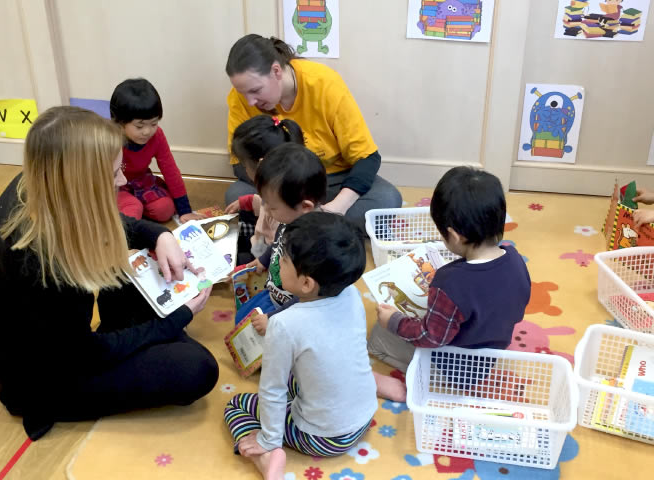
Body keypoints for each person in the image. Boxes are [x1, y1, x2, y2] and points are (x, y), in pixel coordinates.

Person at [0, 106, 218, 441]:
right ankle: (147, 337)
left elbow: (109, 222)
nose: (122, 180)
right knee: (197, 368)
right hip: (41, 383)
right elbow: (85, 355)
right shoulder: (39, 261)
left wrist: (158, 235)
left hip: (58, 346)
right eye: (115, 172)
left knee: (138, 267)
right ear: (81, 182)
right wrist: (172, 323)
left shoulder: (40, 183)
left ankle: (140, 336)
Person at [224, 212, 377, 480]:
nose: (277, 265)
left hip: (322, 437)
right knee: (307, 373)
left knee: (237, 404)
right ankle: (376, 382)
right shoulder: (351, 294)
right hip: (364, 414)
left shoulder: (284, 324)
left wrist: (269, 439)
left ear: (306, 283)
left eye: (282, 261)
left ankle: (266, 459)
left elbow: (272, 390)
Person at [368, 166, 531, 402]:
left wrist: (393, 321)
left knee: (378, 335)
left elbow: (431, 337)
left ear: (455, 236)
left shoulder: (449, 282)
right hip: (491, 353)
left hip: (454, 368)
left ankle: (433, 380)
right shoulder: (515, 258)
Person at [224, 34, 402, 228]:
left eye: (256, 91)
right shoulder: (240, 97)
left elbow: (367, 158)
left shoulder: (323, 82)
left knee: (387, 198)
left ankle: (292, 225)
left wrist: (338, 206)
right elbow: (239, 162)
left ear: (276, 71)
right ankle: (314, 225)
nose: (250, 101)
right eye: (243, 93)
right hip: (275, 185)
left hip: (331, 181)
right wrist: (275, 197)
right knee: (235, 195)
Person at [232, 142, 326, 329]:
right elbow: (277, 243)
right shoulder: (289, 220)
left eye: (271, 206)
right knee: (241, 321)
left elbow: (306, 298)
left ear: (305, 207)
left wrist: (274, 318)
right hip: (273, 292)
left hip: (295, 310)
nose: (265, 209)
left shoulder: (314, 245)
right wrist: (264, 260)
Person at [110, 78, 204, 223]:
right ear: (120, 122)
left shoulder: (157, 136)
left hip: (141, 182)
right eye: (139, 126)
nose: (147, 131)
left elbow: (170, 170)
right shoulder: (108, 139)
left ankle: (137, 207)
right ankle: (132, 208)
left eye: (153, 123)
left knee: (165, 209)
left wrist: (185, 210)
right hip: (115, 186)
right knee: (132, 210)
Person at [224, 115, 305, 260]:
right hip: (260, 243)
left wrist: (261, 262)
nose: (244, 170)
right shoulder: (275, 190)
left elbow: (279, 250)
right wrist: (247, 201)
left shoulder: (285, 212)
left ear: (261, 165)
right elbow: (261, 203)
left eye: (244, 165)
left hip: (269, 257)